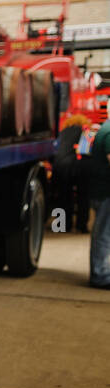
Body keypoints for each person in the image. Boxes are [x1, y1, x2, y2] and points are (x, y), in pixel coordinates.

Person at [53, 115, 87, 233]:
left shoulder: (62, 132)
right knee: (82, 196)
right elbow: (85, 149)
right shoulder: (83, 131)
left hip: (59, 166)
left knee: (62, 197)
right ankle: (81, 225)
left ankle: (62, 226)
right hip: (77, 166)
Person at [86, 122, 110, 289]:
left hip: (101, 190)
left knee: (103, 233)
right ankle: (100, 275)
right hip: (105, 192)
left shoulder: (105, 129)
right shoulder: (109, 132)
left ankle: (100, 271)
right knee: (102, 234)